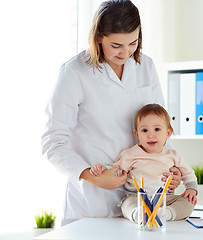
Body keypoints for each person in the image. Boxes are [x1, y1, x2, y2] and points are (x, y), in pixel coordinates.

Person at [41, 0, 182, 226]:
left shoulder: (146, 66)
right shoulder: (74, 72)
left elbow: (160, 127)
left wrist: (172, 169)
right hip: (92, 202)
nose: (125, 52)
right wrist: (90, 175)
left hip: (143, 198)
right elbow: (52, 142)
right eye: (116, 45)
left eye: (133, 43)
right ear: (98, 37)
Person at [90, 104, 198, 222]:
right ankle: (139, 214)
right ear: (137, 134)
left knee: (188, 202)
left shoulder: (174, 155)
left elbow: (188, 174)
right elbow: (115, 169)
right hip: (137, 198)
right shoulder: (130, 154)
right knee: (127, 205)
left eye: (157, 129)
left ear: (168, 133)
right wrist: (102, 169)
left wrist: (191, 189)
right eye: (144, 130)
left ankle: (166, 214)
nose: (150, 135)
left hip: (165, 199)